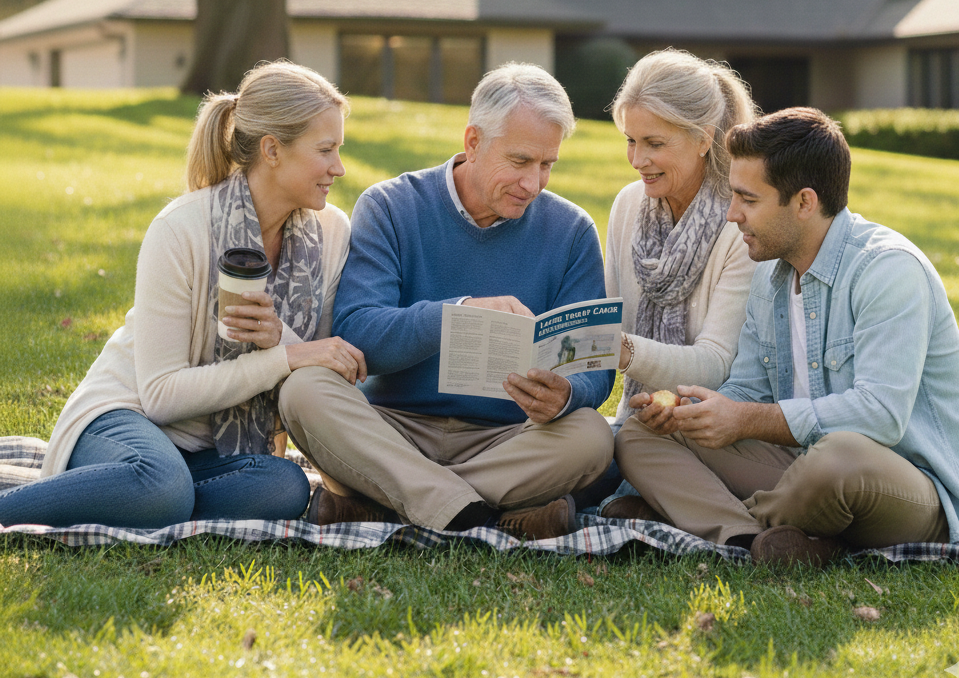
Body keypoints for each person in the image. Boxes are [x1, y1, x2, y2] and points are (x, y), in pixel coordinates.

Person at [616, 107, 959, 566]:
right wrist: (689, 413)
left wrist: (749, 421)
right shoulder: (769, 276)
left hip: (910, 489)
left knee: (839, 457)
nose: (732, 215)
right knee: (638, 436)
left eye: (748, 199)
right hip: (801, 466)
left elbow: (880, 416)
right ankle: (745, 538)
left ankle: (688, 516)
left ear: (804, 202)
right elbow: (746, 393)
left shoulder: (888, 271)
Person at [0, 61, 363, 529]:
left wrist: (279, 339)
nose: (339, 167)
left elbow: (311, 360)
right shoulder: (181, 229)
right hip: (124, 417)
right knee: (162, 484)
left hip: (206, 455)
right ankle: (125, 493)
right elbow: (160, 396)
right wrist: (283, 357)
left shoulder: (332, 233)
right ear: (273, 150)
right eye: (326, 150)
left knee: (285, 486)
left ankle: (138, 497)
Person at [279, 63, 615, 539]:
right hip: (393, 429)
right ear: (473, 142)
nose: (533, 183)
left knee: (592, 438)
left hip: (506, 440)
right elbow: (358, 334)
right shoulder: (391, 206)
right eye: (520, 162)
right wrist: (456, 315)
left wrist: (569, 394)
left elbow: (595, 370)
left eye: (547, 165)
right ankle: (486, 513)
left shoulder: (572, 230)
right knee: (303, 390)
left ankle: (397, 501)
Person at [596, 50, 757, 519]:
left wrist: (624, 351)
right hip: (641, 415)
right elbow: (607, 322)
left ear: (704, 139)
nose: (636, 160)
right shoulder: (628, 206)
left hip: (719, 420)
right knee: (585, 444)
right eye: (630, 140)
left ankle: (665, 500)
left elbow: (715, 365)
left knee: (626, 445)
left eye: (654, 143)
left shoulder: (741, 222)